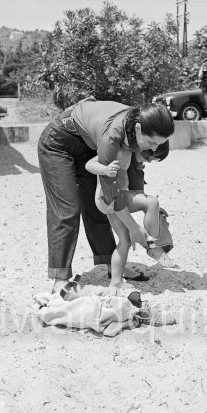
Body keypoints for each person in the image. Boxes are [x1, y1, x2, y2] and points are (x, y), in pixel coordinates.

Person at [37, 96, 175, 294]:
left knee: (96, 209)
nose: (154, 149)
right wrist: (133, 227)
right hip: (57, 145)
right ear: (137, 129)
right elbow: (110, 193)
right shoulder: (113, 134)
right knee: (67, 210)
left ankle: (112, 264)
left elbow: (133, 171)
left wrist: (143, 202)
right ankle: (60, 278)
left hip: (89, 149)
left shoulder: (139, 124)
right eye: (152, 142)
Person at [85, 141, 175, 290]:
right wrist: (105, 169)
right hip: (109, 198)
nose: (148, 161)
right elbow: (89, 164)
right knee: (152, 202)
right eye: (149, 156)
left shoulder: (131, 154)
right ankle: (152, 246)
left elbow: (137, 192)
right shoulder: (119, 150)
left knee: (125, 241)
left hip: (114, 201)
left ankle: (116, 281)